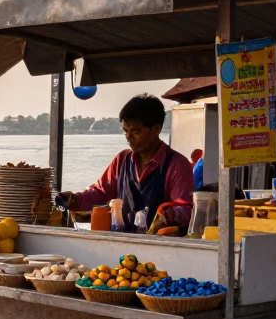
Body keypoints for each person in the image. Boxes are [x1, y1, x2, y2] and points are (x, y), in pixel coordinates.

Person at [59, 95, 194, 231]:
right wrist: (74, 199)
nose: (129, 137)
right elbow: (100, 192)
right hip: (123, 240)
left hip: (159, 244)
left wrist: (168, 214)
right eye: (125, 131)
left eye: (136, 132)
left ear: (156, 129)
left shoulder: (177, 165)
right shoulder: (122, 159)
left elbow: (185, 209)